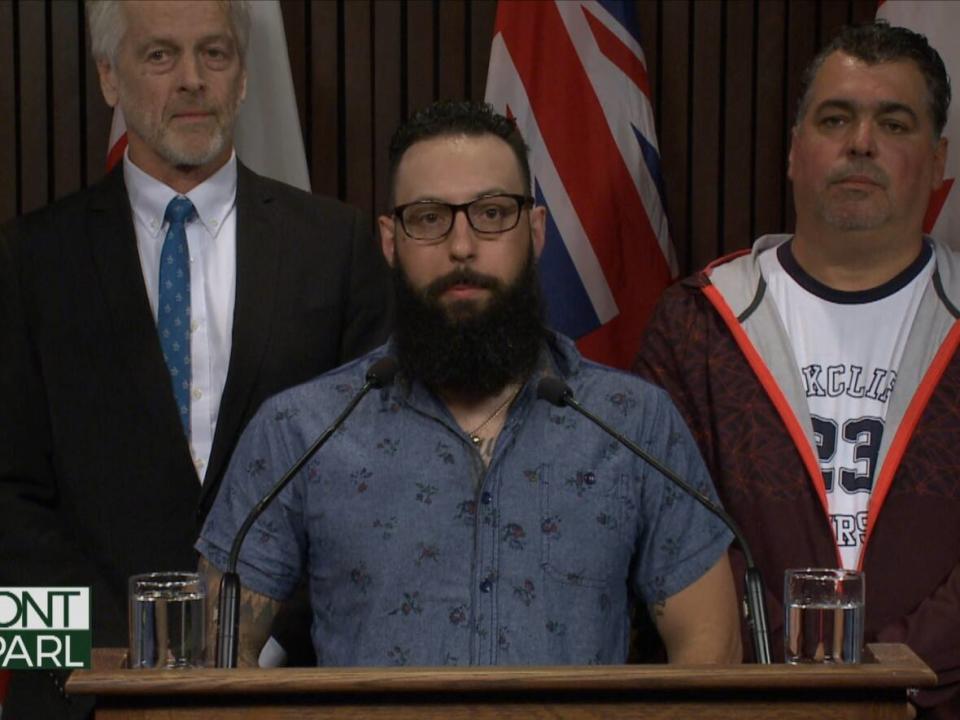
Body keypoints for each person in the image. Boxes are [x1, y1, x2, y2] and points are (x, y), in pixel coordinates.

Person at [196, 100, 742, 669]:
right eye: (429, 218)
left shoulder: (634, 423)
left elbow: (710, 652)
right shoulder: (300, 430)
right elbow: (216, 653)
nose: (461, 246)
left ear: (535, 232)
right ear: (390, 241)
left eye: (492, 213)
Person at [0, 0, 391, 715]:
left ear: (242, 78)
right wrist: (97, 657)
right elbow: (7, 496)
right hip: (78, 689)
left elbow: (372, 483)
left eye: (214, 54)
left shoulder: (337, 247)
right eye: (159, 56)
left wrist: (263, 644)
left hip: (291, 682)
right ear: (109, 78)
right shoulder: (25, 259)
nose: (191, 80)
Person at [634, 21, 958, 718]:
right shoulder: (699, 324)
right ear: (792, 152)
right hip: (751, 704)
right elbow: (675, 530)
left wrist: (890, 672)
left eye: (893, 123)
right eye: (834, 118)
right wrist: (790, 675)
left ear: (938, 161)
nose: (860, 143)